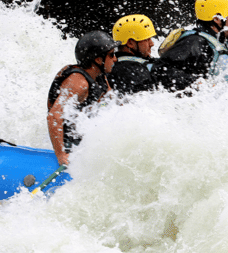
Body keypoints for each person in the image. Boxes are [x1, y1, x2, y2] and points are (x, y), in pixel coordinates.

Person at [47, 31, 120, 165]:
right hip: (68, 143)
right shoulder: (78, 83)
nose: (115, 59)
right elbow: (54, 116)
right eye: (111, 55)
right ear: (98, 59)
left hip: (83, 137)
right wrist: (61, 155)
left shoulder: (100, 76)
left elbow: (112, 103)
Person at [152, 0, 228, 90]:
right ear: (217, 18)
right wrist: (197, 83)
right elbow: (160, 70)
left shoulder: (217, 41)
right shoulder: (194, 42)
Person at [109, 14, 158, 94]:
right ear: (130, 43)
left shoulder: (120, 63)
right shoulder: (132, 73)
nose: (151, 43)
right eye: (146, 39)